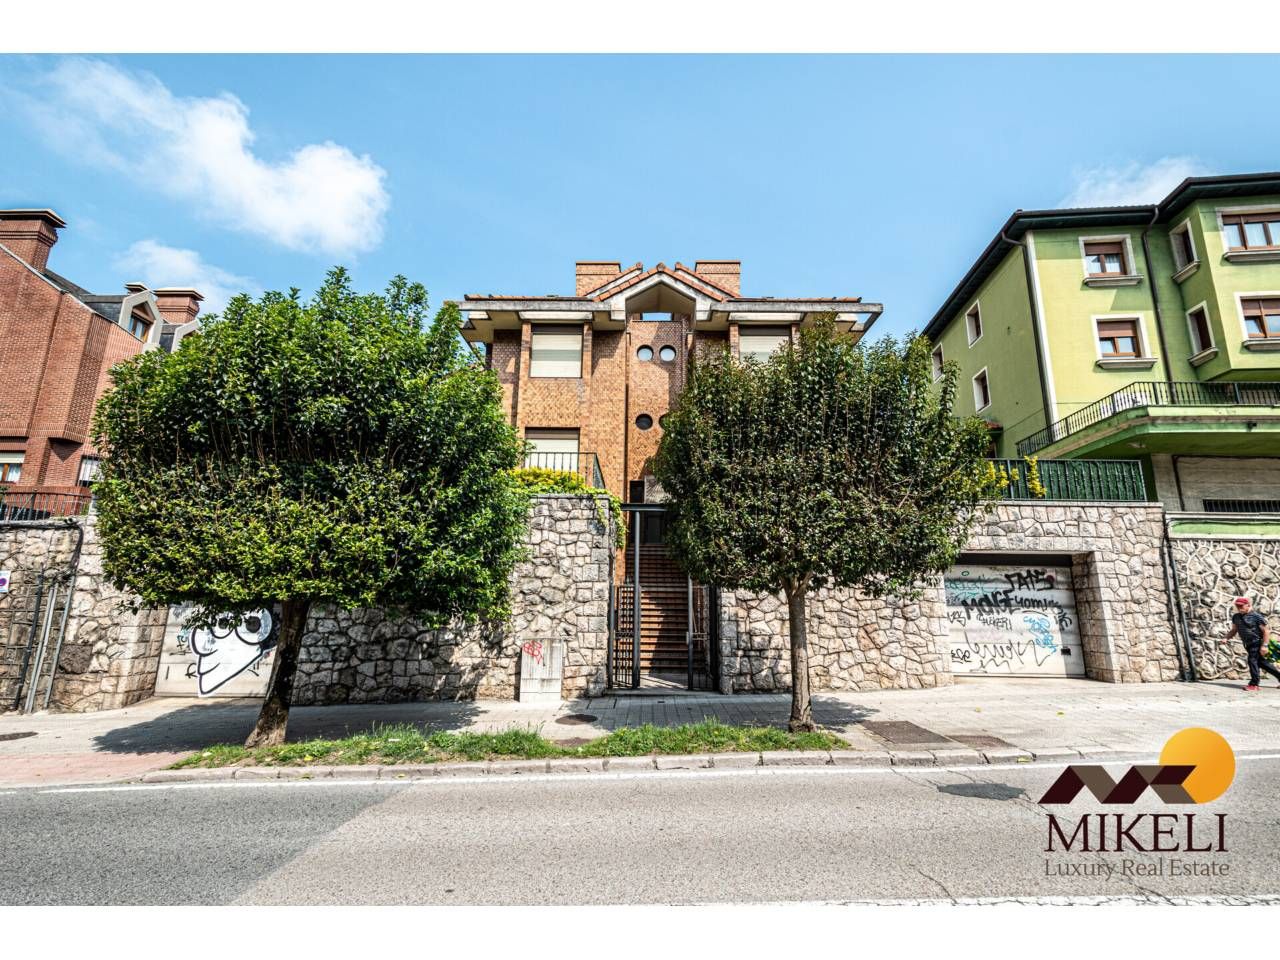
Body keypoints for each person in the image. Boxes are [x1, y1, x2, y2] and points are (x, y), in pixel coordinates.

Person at [1225, 596, 1280, 692]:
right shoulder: (1236, 617)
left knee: (1252, 660)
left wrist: (1265, 645)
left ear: (1248, 605)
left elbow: (1266, 631)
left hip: (1257, 642)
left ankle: (1254, 684)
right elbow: (1234, 630)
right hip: (1247, 644)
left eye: (1241, 606)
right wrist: (1226, 638)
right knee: (1262, 663)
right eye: (1237, 606)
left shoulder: (1256, 616)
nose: (1239, 608)